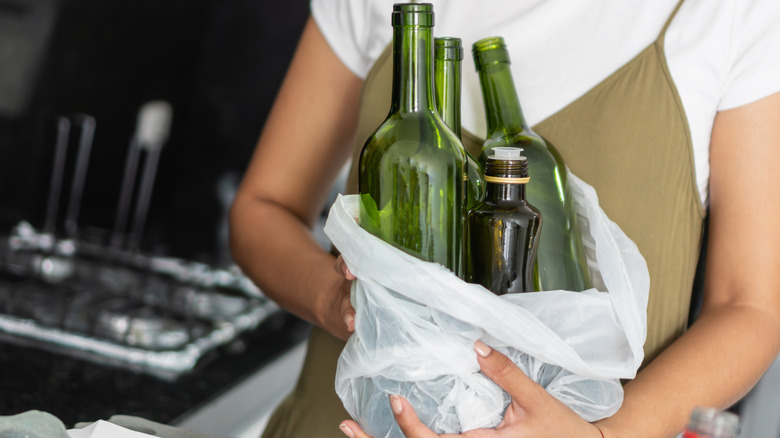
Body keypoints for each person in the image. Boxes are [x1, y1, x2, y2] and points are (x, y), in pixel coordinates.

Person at [229, 0, 780, 436]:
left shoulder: (729, 11)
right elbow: (262, 209)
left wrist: (605, 436)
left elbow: (748, 306)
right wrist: (338, 302)